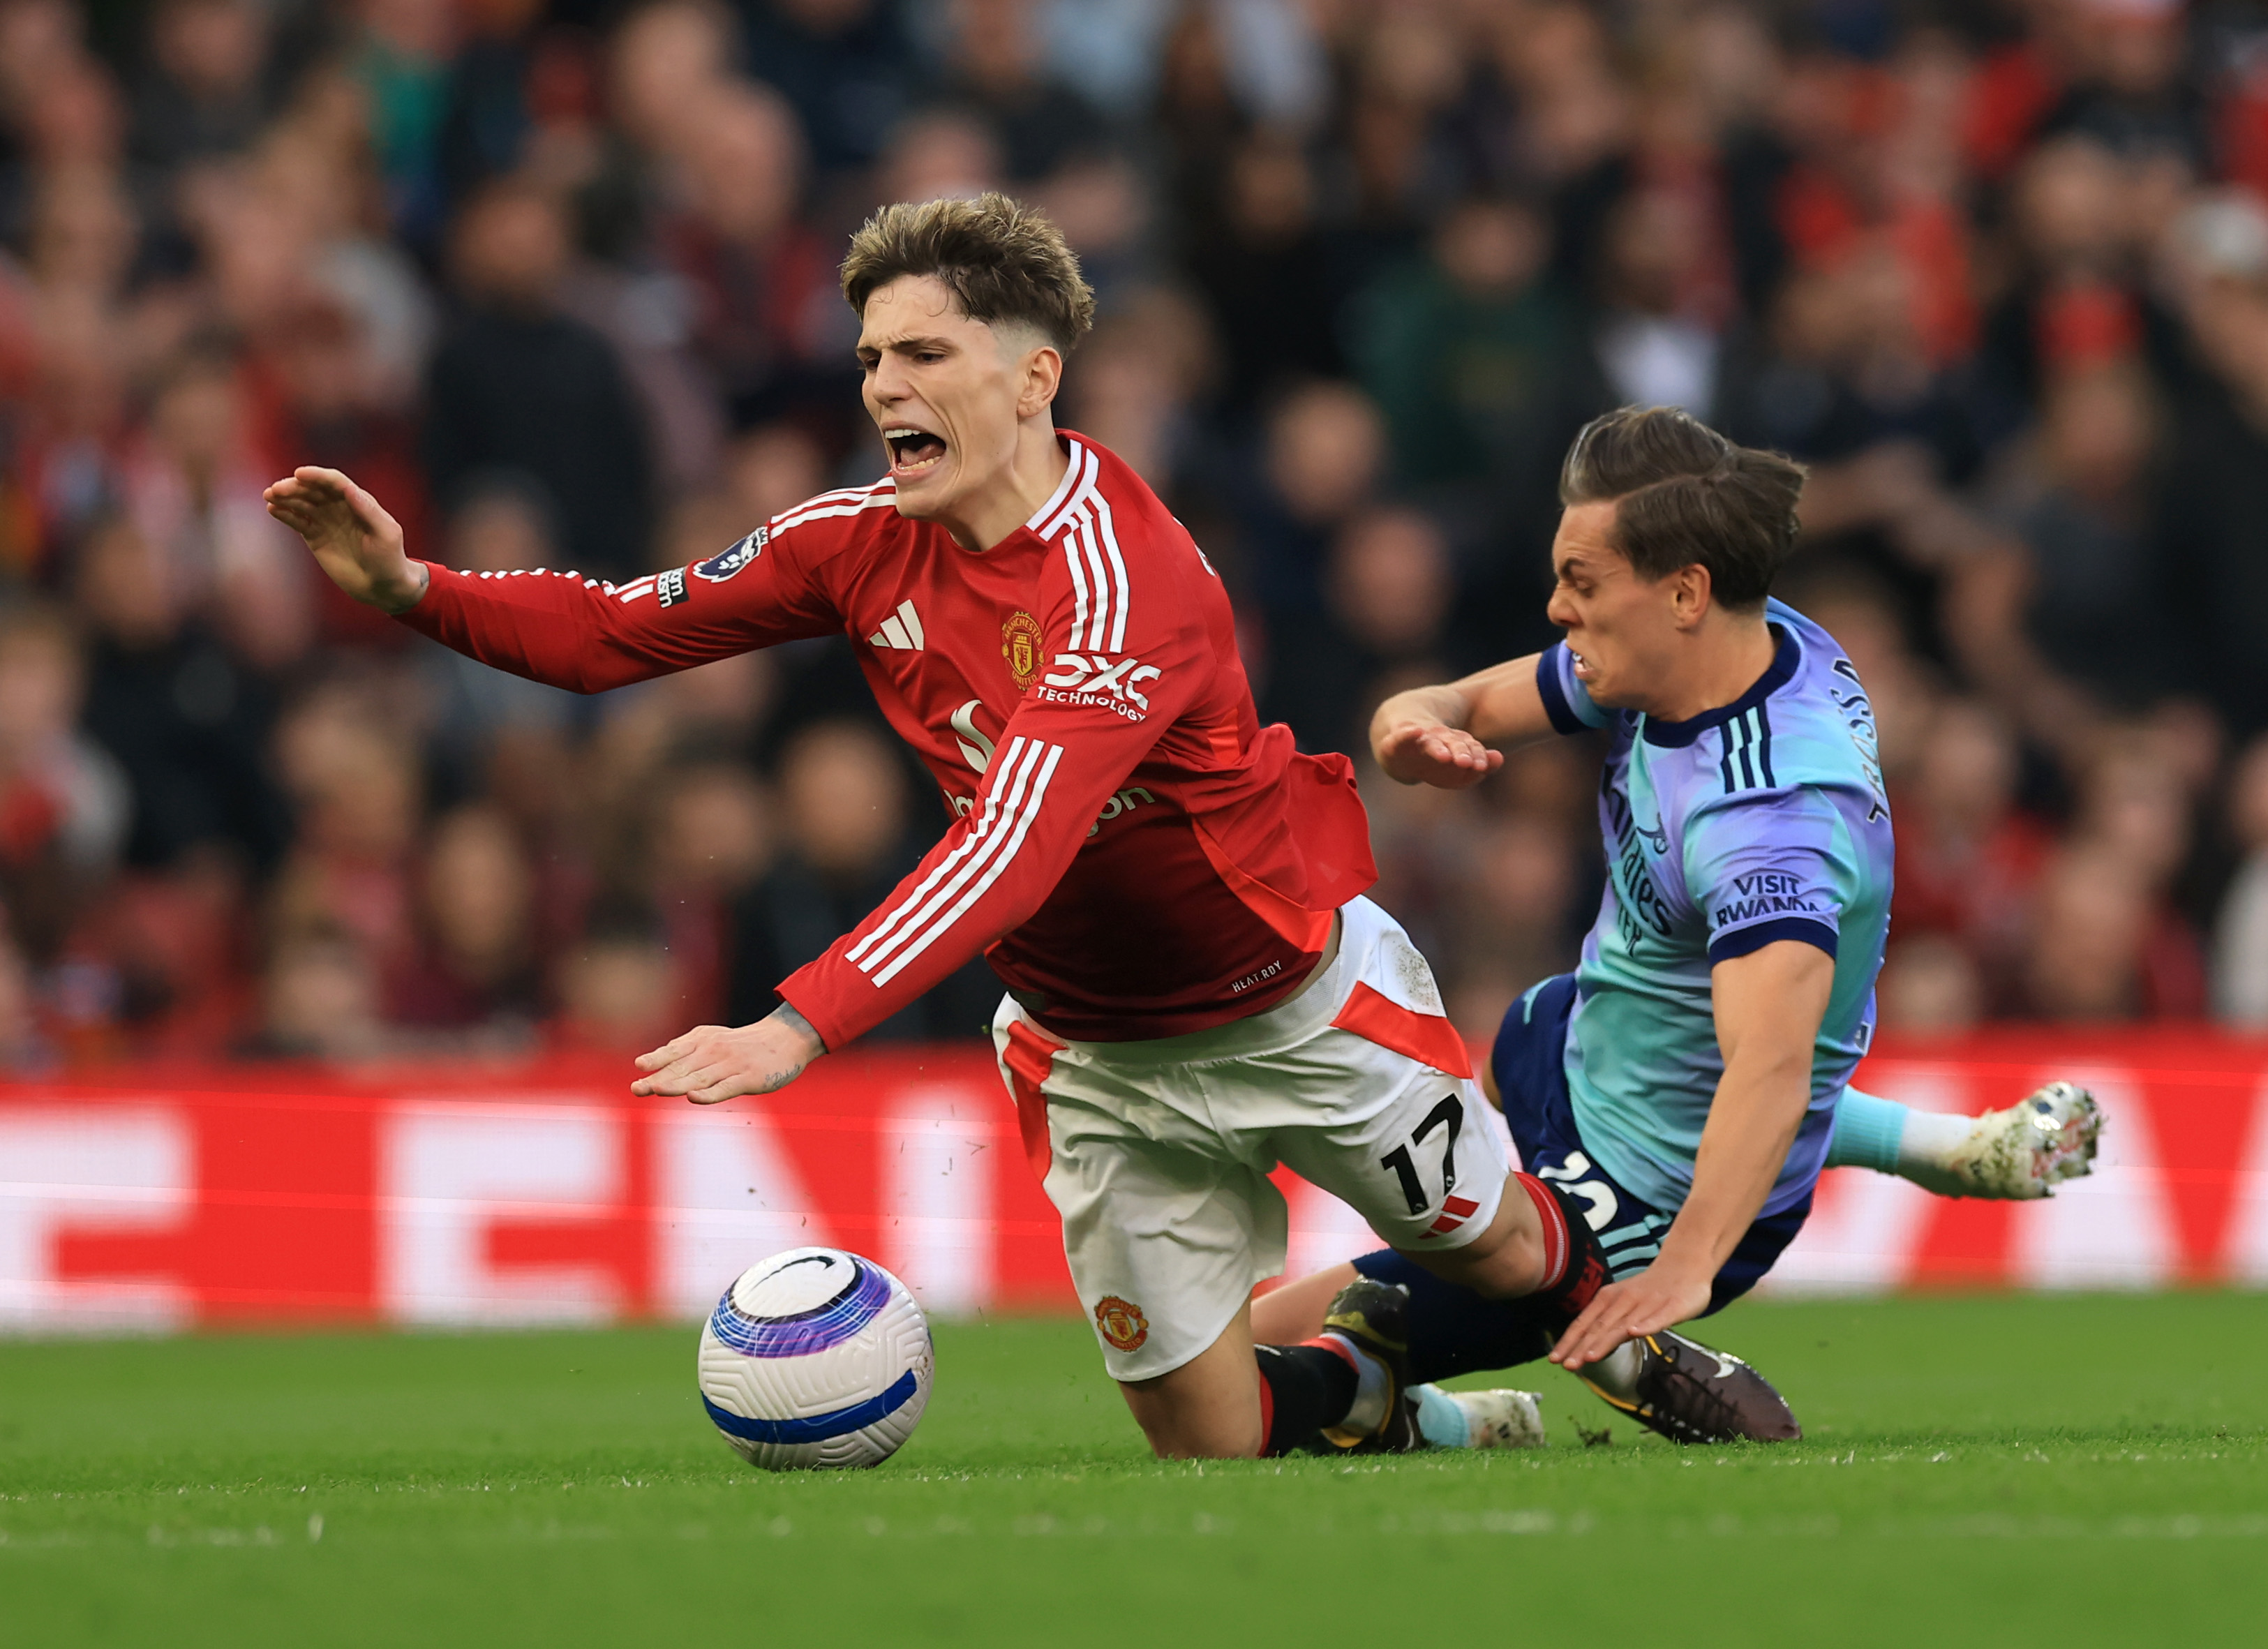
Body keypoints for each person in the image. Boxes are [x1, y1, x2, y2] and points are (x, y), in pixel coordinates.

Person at [269, 193, 1626, 1461]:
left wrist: (794, 1022)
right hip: (1091, 1044)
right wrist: (412, 588)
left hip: (1286, 998)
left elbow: (1012, 844)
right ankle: (1413, 1414)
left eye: (921, 353)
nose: (880, 390)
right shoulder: (855, 540)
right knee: (1206, 1438)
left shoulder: (1123, 577)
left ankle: (1649, 1358)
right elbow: (624, 629)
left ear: (1033, 378)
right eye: (868, 360)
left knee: (1502, 1251)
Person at [1251, 407, 2103, 1445]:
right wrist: (1409, 719)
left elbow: (1771, 1071)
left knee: (1252, 1362)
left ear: (1684, 591)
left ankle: (1481, 1398)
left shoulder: (1768, 825)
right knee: (1528, 1027)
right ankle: (1954, 1148)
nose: (1556, 608)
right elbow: (1467, 700)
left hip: (1649, 1189)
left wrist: (1684, 1267)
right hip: (1569, 1047)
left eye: (1580, 582)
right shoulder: (1707, 652)